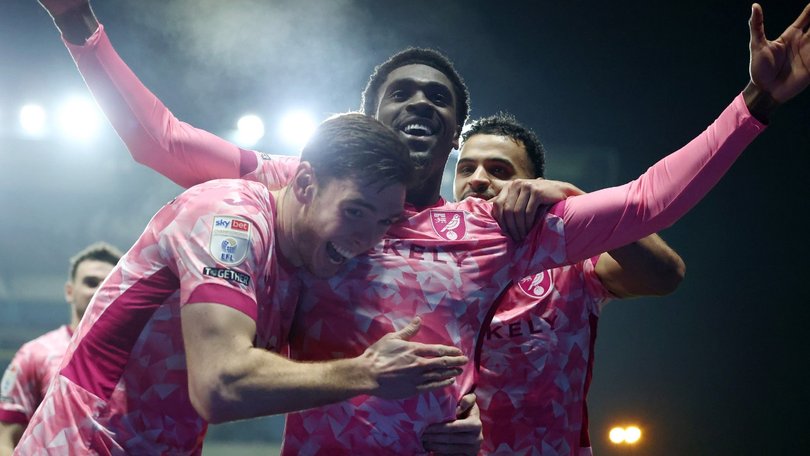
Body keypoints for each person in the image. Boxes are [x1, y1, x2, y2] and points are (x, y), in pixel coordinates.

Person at [35, 1, 810, 453]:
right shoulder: (295, 184)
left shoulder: (492, 227)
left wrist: (756, 107)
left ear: (454, 132)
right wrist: (79, 24)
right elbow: (160, 139)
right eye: (400, 92)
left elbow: (646, 204)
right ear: (364, 123)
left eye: (439, 100)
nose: (420, 104)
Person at [14, 113, 470, 454]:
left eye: (385, 222)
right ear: (306, 185)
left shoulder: (307, 240)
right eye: (354, 213)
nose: (368, 239)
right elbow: (220, 385)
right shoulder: (229, 218)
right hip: (78, 445)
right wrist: (367, 373)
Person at [452, 113, 684, 454]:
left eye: (499, 170)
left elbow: (665, 275)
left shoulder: (570, 258)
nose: (478, 179)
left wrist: (575, 200)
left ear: (533, 184)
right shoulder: (425, 261)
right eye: (466, 168)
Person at [0, 242, 122, 455]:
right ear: (69, 291)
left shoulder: (142, 359)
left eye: (109, 283)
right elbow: (5, 438)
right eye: (91, 282)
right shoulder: (36, 353)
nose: (101, 290)